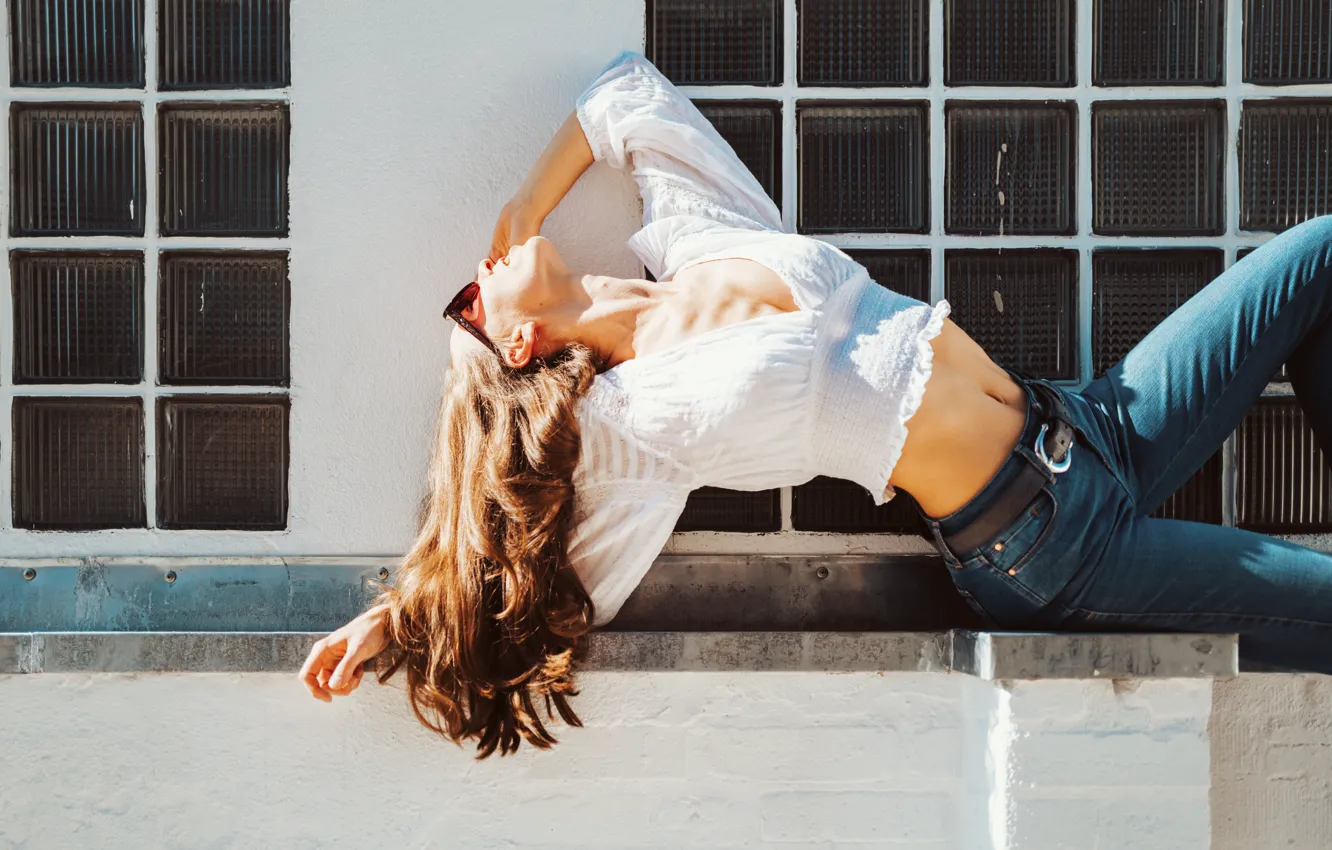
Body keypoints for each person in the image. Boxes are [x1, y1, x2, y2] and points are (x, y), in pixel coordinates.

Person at [299, 50, 1332, 756]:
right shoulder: (627, 428)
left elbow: (625, 96)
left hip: (1094, 426)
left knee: (1321, 252)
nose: (479, 271)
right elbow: (532, 571)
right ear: (519, 344)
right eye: (471, 302)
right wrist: (398, 619)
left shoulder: (703, 236)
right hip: (1050, 546)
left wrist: (526, 202)